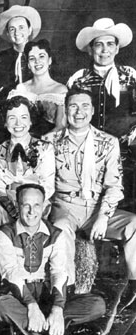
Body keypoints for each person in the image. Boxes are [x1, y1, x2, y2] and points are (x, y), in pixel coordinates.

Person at [0, 183, 106, 335]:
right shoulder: (5, 233)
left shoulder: (56, 234)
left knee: (97, 305)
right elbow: (11, 273)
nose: (31, 211)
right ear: (17, 206)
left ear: (45, 207)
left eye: (36, 205)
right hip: (21, 297)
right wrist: (31, 305)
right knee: (0, 304)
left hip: (48, 296)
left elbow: (59, 271)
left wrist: (58, 308)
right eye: (25, 205)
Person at [44, 88, 136, 301]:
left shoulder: (108, 142)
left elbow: (114, 186)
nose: (79, 112)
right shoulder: (50, 141)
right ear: (66, 110)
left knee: (134, 224)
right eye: (73, 106)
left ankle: (134, 288)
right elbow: (44, 183)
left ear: (93, 110)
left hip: (97, 206)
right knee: (61, 229)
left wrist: (103, 217)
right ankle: (67, 291)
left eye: (85, 106)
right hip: (64, 205)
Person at [0, 96, 55, 296]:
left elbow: (47, 184)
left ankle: (31, 285)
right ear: (5, 122)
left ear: (31, 121)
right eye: (12, 118)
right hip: (8, 205)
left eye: (23, 118)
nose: (18, 124)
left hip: (36, 204)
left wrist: (25, 198)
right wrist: (7, 201)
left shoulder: (45, 148)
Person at [67, 18, 136, 209]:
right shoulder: (79, 79)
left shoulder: (130, 76)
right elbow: (70, 116)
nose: (104, 50)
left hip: (126, 152)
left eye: (110, 44)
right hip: (89, 151)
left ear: (117, 48)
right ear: (90, 49)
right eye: (99, 45)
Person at [8, 39, 67, 136]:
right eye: (32, 58)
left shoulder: (60, 90)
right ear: (28, 65)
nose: (37, 61)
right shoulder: (21, 89)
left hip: (50, 143)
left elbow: (60, 126)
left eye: (41, 56)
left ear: (50, 60)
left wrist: (40, 143)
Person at [0, 5, 42, 98]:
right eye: (12, 29)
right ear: (8, 34)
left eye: (21, 27)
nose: (17, 33)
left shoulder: (41, 55)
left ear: (29, 30)